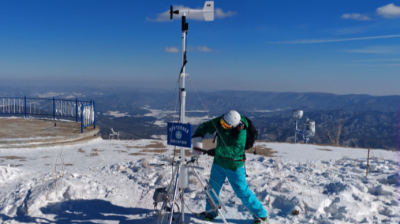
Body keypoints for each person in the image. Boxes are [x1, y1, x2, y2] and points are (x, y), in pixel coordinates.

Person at [192, 110, 268, 223]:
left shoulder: (242, 130)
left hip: (234, 166)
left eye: (226, 125)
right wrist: (198, 134)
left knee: (242, 191)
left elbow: (236, 150)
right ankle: (212, 211)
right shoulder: (224, 119)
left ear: (234, 126)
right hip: (219, 163)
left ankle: (260, 215)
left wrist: (216, 151)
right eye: (223, 123)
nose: (223, 125)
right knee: (212, 188)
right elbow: (207, 126)